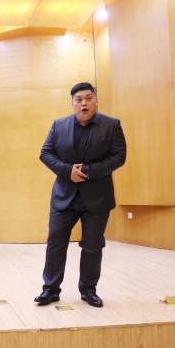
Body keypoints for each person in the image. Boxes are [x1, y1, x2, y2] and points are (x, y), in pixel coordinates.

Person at [35, 82, 126, 308]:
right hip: (64, 197)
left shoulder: (112, 125)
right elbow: (45, 153)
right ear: (72, 103)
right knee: (55, 244)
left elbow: (119, 157)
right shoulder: (59, 125)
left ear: (96, 101)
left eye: (88, 98)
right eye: (79, 99)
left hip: (97, 198)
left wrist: (88, 171)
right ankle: (50, 290)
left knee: (92, 246)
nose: (84, 103)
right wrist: (68, 171)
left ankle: (88, 291)